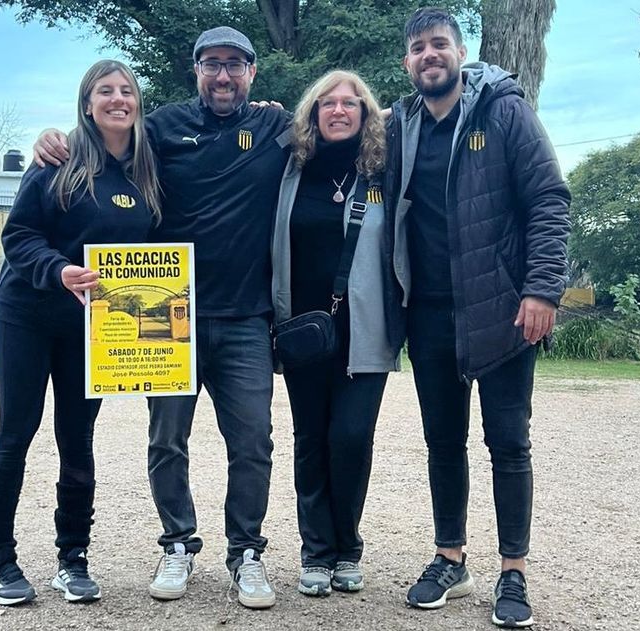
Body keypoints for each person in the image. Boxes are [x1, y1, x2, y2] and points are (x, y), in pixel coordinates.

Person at [34, 27, 291, 609]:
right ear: (195, 70)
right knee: (167, 440)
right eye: (210, 65)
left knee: (252, 441)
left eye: (234, 65)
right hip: (164, 311)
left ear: (252, 72)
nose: (222, 76)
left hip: (246, 316)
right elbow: (106, 137)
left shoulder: (276, 126)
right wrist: (58, 137)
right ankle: (177, 543)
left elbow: (346, 123)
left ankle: (246, 552)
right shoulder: (161, 128)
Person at [386, 8, 570, 628]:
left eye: (439, 44)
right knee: (444, 442)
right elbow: (328, 134)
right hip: (430, 314)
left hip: (504, 309)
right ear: (408, 62)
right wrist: (276, 115)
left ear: (459, 53)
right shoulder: (402, 125)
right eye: (418, 48)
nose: (428, 55)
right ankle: (450, 557)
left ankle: (513, 570)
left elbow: (549, 197)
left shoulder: (503, 109)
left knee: (508, 442)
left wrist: (542, 290)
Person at [0, 59, 160, 606]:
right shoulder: (56, 161)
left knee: (77, 440)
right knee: (17, 431)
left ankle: (72, 558)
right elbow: (20, 234)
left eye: (126, 90)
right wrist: (57, 270)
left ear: (137, 103)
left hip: (95, 326)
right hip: (28, 315)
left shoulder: (148, 169)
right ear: (87, 104)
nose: (117, 99)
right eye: (105, 91)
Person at [270, 70, 402, 597]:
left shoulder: (382, 172)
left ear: (368, 113)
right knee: (309, 441)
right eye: (328, 102)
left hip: (366, 330)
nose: (339, 110)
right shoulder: (289, 170)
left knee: (350, 438)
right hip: (304, 331)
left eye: (352, 102)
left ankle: (348, 545)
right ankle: (317, 550)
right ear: (312, 113)